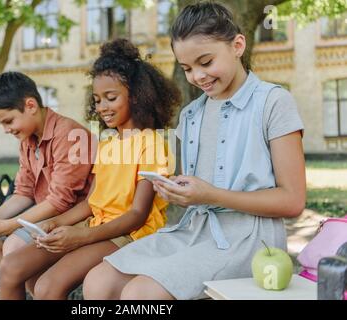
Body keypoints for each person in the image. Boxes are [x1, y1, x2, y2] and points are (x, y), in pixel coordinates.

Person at [83, 2, 306, 300]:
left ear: (238, 45)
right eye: (187, 68)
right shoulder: (191, 114)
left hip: (249, 240)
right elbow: (195, 192)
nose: (198, 76)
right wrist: (176, 190)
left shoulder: (274, 102)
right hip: (192, 232)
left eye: (206, 62)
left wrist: (210, 195)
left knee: (141, 293)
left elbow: (292, 201)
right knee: (98, 281)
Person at [0, 38, 182, 299]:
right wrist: (54, 223)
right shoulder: (107, 143)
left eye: (111, 97)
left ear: (137, 96)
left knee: (47, 287)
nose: (102, 107)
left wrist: (82, 237)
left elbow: (138, 215)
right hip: (94, 224)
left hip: (129, 234)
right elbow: (91, 203)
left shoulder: (151, 144)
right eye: (97, 100)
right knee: (12, 266)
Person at [0, 71, 93, 264]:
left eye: (8, 121)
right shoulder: (27, 139)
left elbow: (60, 202)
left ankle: (32, 286)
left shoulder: (69, 135)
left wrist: (4, 226)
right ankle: (28, 288)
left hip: (73, 217)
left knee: (14, 246)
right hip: (46, 213)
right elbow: (24, 191)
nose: (6, 130)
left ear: (30, 105)